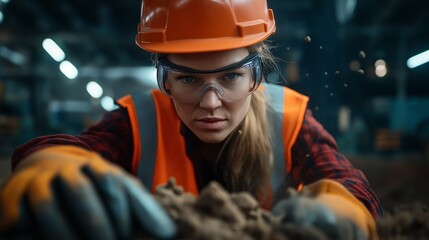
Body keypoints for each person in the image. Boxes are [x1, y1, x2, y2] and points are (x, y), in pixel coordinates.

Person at [0, 0, 383, 239]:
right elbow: (73, 149)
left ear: (257, 75)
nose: (211, 103)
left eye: (231, 77)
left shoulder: (288, 119)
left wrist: (343, 205)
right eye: (187, 80)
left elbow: (345, 180)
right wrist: (51, 159)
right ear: (163, 78)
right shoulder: (140, 120)